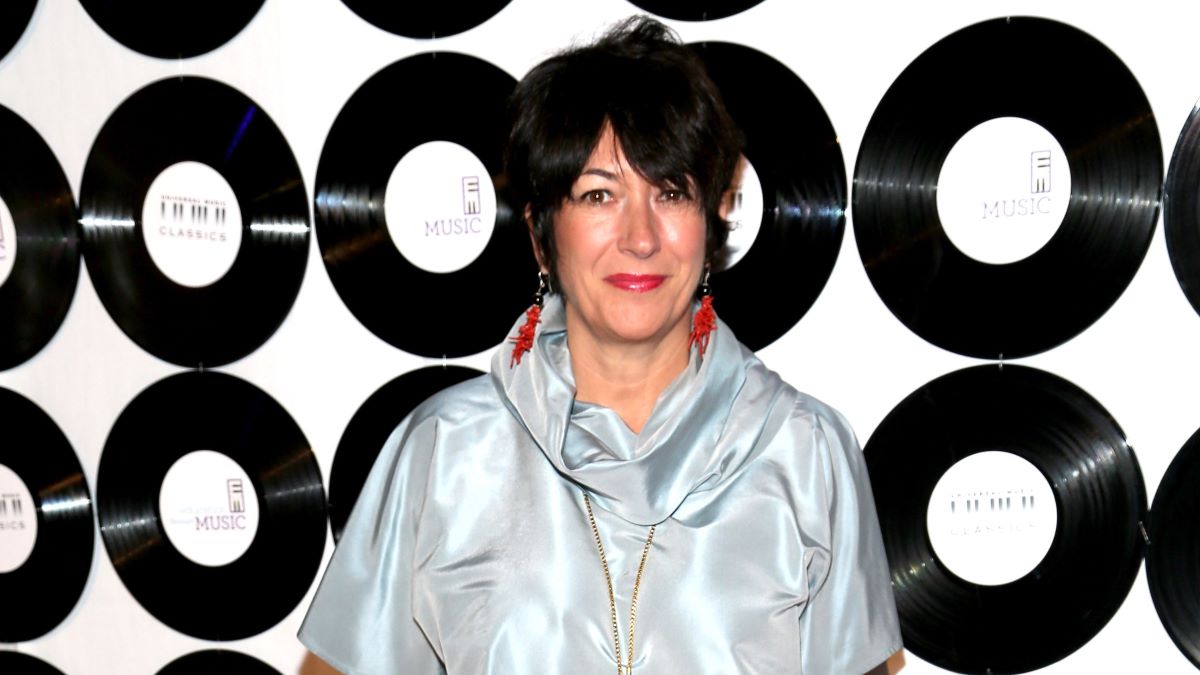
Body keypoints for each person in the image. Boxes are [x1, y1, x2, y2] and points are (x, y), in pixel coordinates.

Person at [300, 16, 901, 674]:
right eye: (598, 194)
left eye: (671, 192)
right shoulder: (442, 455)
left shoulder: (809, 453)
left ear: (711, 223)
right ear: (541, 234)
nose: (640, 236)